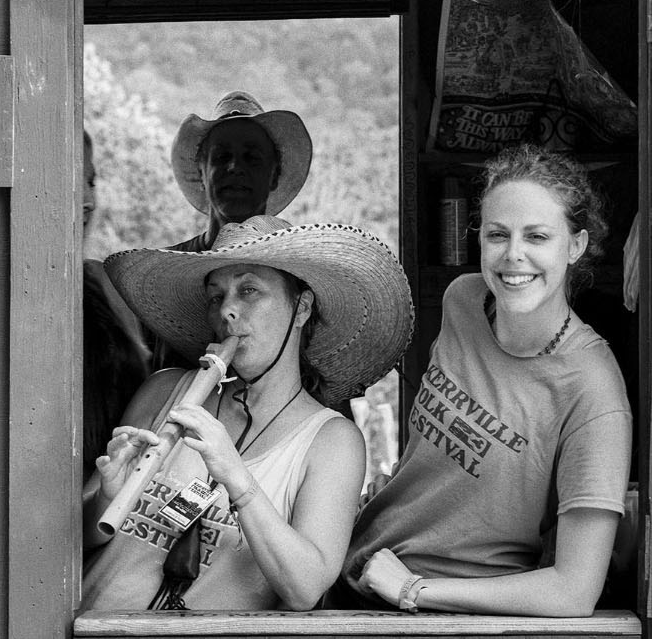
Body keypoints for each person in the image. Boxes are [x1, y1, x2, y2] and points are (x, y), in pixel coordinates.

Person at [345, 145, 632, 618]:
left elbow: (574, 591)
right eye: (498, 234)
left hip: (454, 618)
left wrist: (414, 589)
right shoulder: (464, 301)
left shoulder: (593, 390)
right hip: (358, 569)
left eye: (537, 236)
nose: (513, 255)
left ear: (575, 246)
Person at [81, 216, 412, 613]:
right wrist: (106, 495)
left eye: (249, 290)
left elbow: (304, 589)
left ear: (301, 308)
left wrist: (236, 478)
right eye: (216, 296)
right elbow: (76, 536)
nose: (228, 311)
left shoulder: (332, 441)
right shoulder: (165, 391)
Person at [169, 91, 314, 252]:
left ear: (274, 175)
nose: (235, 167)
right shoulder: (163, 269)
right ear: (201, 173)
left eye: (252, 157)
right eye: (222, 156)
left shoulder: (293, 273)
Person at [82, 131, 150, 469]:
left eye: (91, 181)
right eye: (70, 179)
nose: (88, 200)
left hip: (122, 497)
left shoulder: (108, 282)